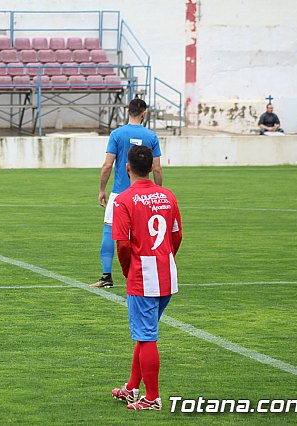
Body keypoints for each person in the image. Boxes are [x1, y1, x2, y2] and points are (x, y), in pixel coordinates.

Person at [110, 145, 182, 411]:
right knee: (144, 334)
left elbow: (123, 245)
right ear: (152, 168)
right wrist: (165, 258)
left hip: (144, 275)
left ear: (126, 168)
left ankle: (152, 397)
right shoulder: (168, 195)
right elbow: (176, 236)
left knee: (147, 335)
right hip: (167, 272)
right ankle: (131, 388)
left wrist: (129, 271)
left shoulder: (123, 200)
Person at [92, 98, 163, 288]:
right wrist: (158, 191)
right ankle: (147, 274)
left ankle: (107, 276)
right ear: (143, 113)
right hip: (144, 195)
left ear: (127, 112)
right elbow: (157, 169)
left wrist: (101, 190)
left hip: (120, 194)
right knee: (144, 234)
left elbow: (108, 165)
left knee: (109, 232)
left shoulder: (117, 134)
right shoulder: (151, 136)